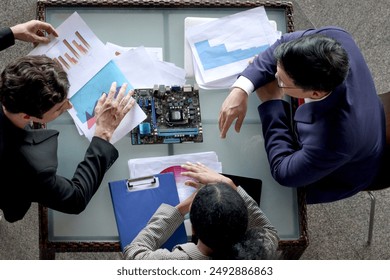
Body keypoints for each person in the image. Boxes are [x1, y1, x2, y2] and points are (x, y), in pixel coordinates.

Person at [218, 26, 385, 204]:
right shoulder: (334, 38)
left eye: (281, 81)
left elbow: (284, 173)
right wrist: (242, 88)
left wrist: (271, 102)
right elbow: (283, 44)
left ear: (315, 93)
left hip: (335, 174)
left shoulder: (335, 140)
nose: (274, 77)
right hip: (363, 116)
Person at [0, 55, 135, 222]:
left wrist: (13, 33)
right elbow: (76, 199)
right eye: (59, 109)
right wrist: (103, 134)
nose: (69, 106)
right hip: (10, 181)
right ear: (27, 116)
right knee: (15, 203)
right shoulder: (33, 167)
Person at [123, 162, 279, 260]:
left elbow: (133, 252)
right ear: (244, 223)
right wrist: (231, 185)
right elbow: (268, 231)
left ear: (194, 228)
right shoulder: (261, 251)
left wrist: (180, 209)